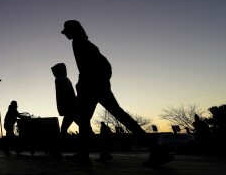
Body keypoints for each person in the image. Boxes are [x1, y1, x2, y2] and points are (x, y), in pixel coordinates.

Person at [61, 19, 175, 167]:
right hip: (99, 86)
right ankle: (156, 151)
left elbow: (87, 69)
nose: (65, 35)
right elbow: (103, 66)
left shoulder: (79, 43)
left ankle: (84, 155)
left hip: (90, 87)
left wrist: (83, 84)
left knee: (87, 120)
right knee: (114, 117)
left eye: (67, 32)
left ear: (73, 31)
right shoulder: (87, 44)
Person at [51, 63, 79, 135]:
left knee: (63, 128)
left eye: (54, 72)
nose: (53, 74)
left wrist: (63, 108)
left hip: (69, 108)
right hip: (72, 106)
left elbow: (61, 95)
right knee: (83, 125)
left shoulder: (59, 79)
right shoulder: (65, 79)